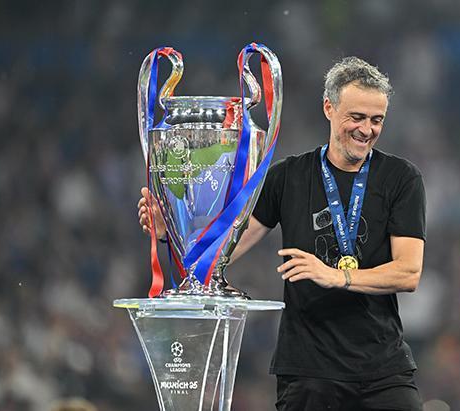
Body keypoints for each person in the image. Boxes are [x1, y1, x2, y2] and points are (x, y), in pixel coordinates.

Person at [138, 56, 426, 411]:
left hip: (383, 370)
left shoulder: (401, 179)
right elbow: (223, 252)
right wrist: (171, 233)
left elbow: (408, 273)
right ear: (329, 108)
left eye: (376, 119)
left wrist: (336, 276)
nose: (366, 129)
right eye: (356, 117)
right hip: (308, 371)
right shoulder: (288, 177)